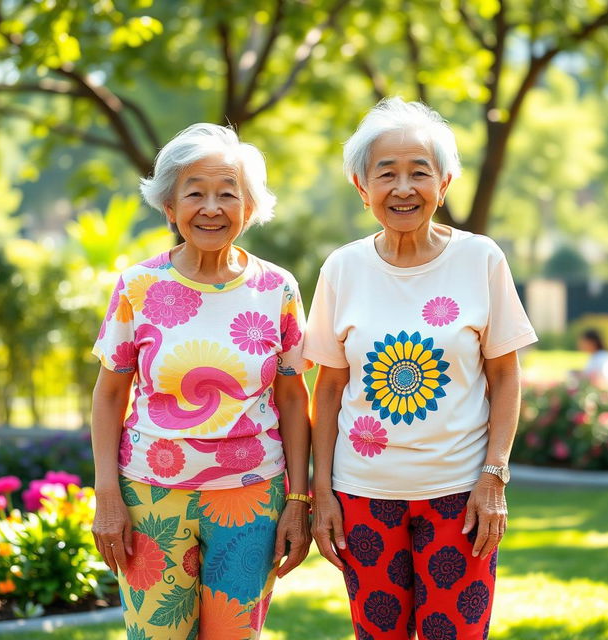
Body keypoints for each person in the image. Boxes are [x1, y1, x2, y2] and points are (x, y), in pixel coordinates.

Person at [304, 98, 538, 640]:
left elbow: (505, 375)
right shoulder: (343, 268)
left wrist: (494, 476)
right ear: (362, 189)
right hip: (363, 495)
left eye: (419, 172)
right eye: (386, 174)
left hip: (461, 495)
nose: (403, 188)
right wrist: (322, 496)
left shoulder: (481, 259)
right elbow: (329, 387)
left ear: (445, 182)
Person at [90, 123, 312, 639]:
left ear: (249, 208)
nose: (211, 207)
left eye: (228, 194)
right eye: (195, 193)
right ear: (169, 207)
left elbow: (293, 399)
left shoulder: (277, 288)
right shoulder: (138, 286)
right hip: (149, 496)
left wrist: (298, 502)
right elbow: (108, 395)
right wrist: (106, 495)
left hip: (253, 496)